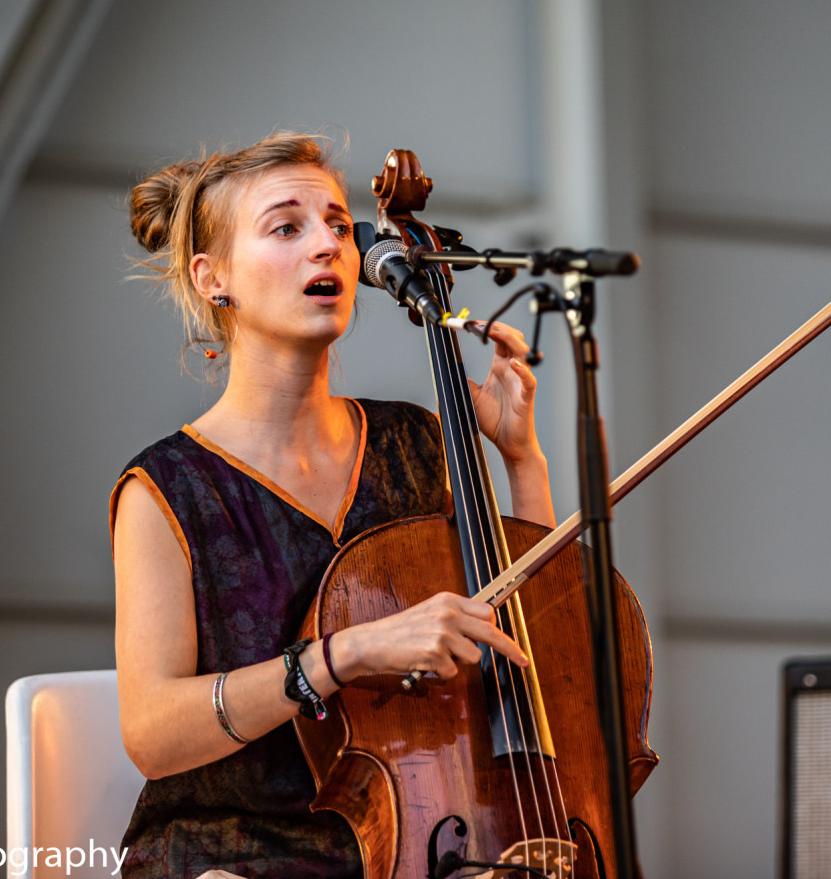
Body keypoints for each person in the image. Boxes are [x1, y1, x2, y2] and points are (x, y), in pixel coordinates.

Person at [110, 131, 556, 879]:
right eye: (287, 227)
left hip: (414, 841)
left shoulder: (414, 441)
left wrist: (521, 461)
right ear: (212, 276)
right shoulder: (166, 487)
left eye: (339, 227)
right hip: (230, 854)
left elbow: (531, 643)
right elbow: (153, 733)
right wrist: (342, 656)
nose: (327, 246)